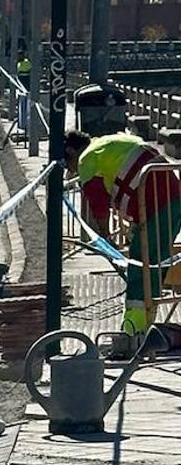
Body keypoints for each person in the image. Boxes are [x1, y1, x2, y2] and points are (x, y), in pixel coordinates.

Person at [66, 129, 181, 337]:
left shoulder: (87, 160)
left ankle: (134, 329)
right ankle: (146, 323)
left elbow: (99, 205)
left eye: (67, 164)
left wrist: (105, 236)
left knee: (141, 264)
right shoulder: (108, 141)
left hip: (155, 202)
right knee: (154, 262)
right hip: (170, 194)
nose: (71, 171)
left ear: (71, 152)